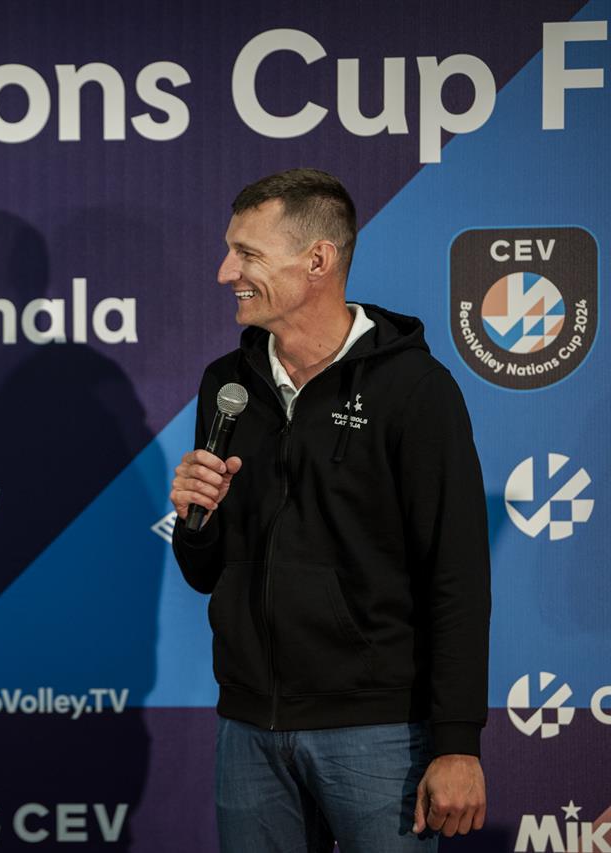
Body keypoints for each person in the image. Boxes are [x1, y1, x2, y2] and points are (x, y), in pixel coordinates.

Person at [169, 169, 490, 852]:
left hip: (378, 733)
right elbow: (204, 572)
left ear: (317, 260)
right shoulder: (226, 384)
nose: (226, 272)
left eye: (247, 253)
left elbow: (457, 573)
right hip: (249, 730)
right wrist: (197, 518)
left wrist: (458, 741)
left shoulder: (414, 388)